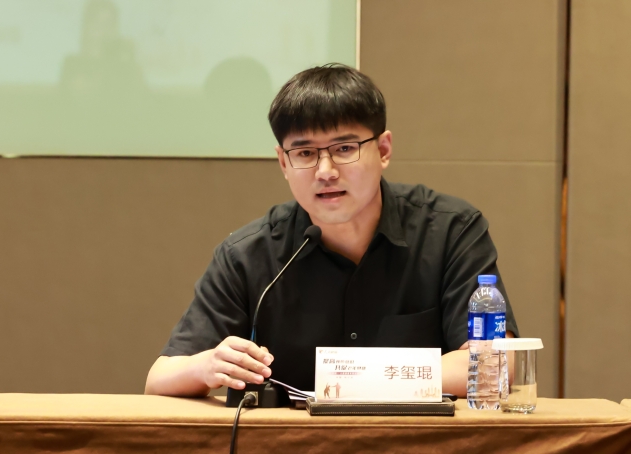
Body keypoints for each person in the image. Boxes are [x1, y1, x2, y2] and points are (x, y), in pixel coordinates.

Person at [145, 64, 519, 398]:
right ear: (283, 162)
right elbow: (159, 379)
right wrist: (207, 365)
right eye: (305, 153)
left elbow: (496, 365)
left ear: (383, 149)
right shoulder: (249, 254)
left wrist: (357, 379)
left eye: (344, 148)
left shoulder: (451, 231)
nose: (325, 171)